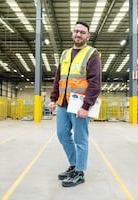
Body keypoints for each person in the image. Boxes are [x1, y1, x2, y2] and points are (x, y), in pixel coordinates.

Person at [48, 21, 102, 187]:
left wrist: (86, 106)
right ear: (73, 33)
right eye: (76, 31)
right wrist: (53, 98)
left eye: (82, 32)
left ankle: (79, 172)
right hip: (64, 103)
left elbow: (95, 83)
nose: (78, 34)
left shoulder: (92, 54)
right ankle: (73, 165)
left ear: (88, 36)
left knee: (80, 138)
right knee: (62, 134)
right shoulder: (65, 54)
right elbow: (59, 79)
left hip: (79, 105)